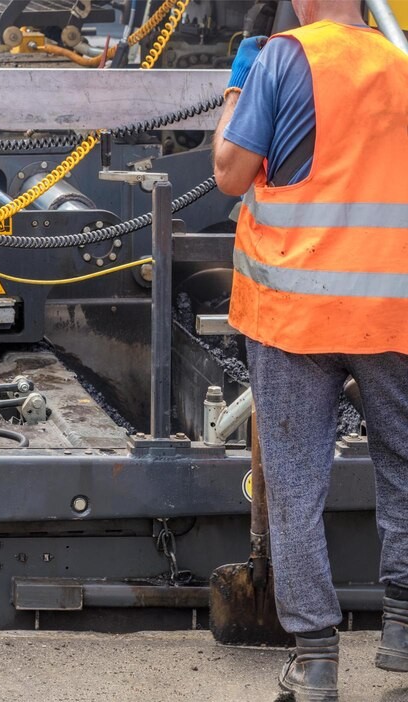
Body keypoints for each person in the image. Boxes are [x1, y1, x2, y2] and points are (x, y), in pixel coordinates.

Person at [212, 0, 408, 699]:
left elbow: (230, 172)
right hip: (393, 308)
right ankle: (403, 629)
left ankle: (316, 659)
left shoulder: (282, 58)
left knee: (296, 484)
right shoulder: (400, 58)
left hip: (296, 310)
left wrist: (239, 80)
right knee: (405, 467)